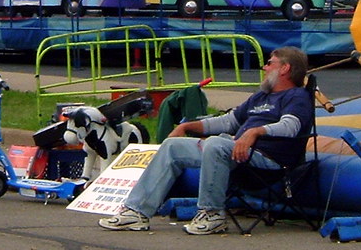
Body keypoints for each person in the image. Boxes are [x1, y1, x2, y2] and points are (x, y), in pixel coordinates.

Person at [98, 46, 313, 235]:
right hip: (237, 155)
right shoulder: (261, 96)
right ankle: (137, 212)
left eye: (270, 63)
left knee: (216, 144)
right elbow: (228, 122)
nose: (264, 68)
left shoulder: (297, 97)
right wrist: (186, 126)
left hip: (269, 162)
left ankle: (212, 215)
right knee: (172, 145)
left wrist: (254, 132)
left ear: (285, 69)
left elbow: (291, 127)